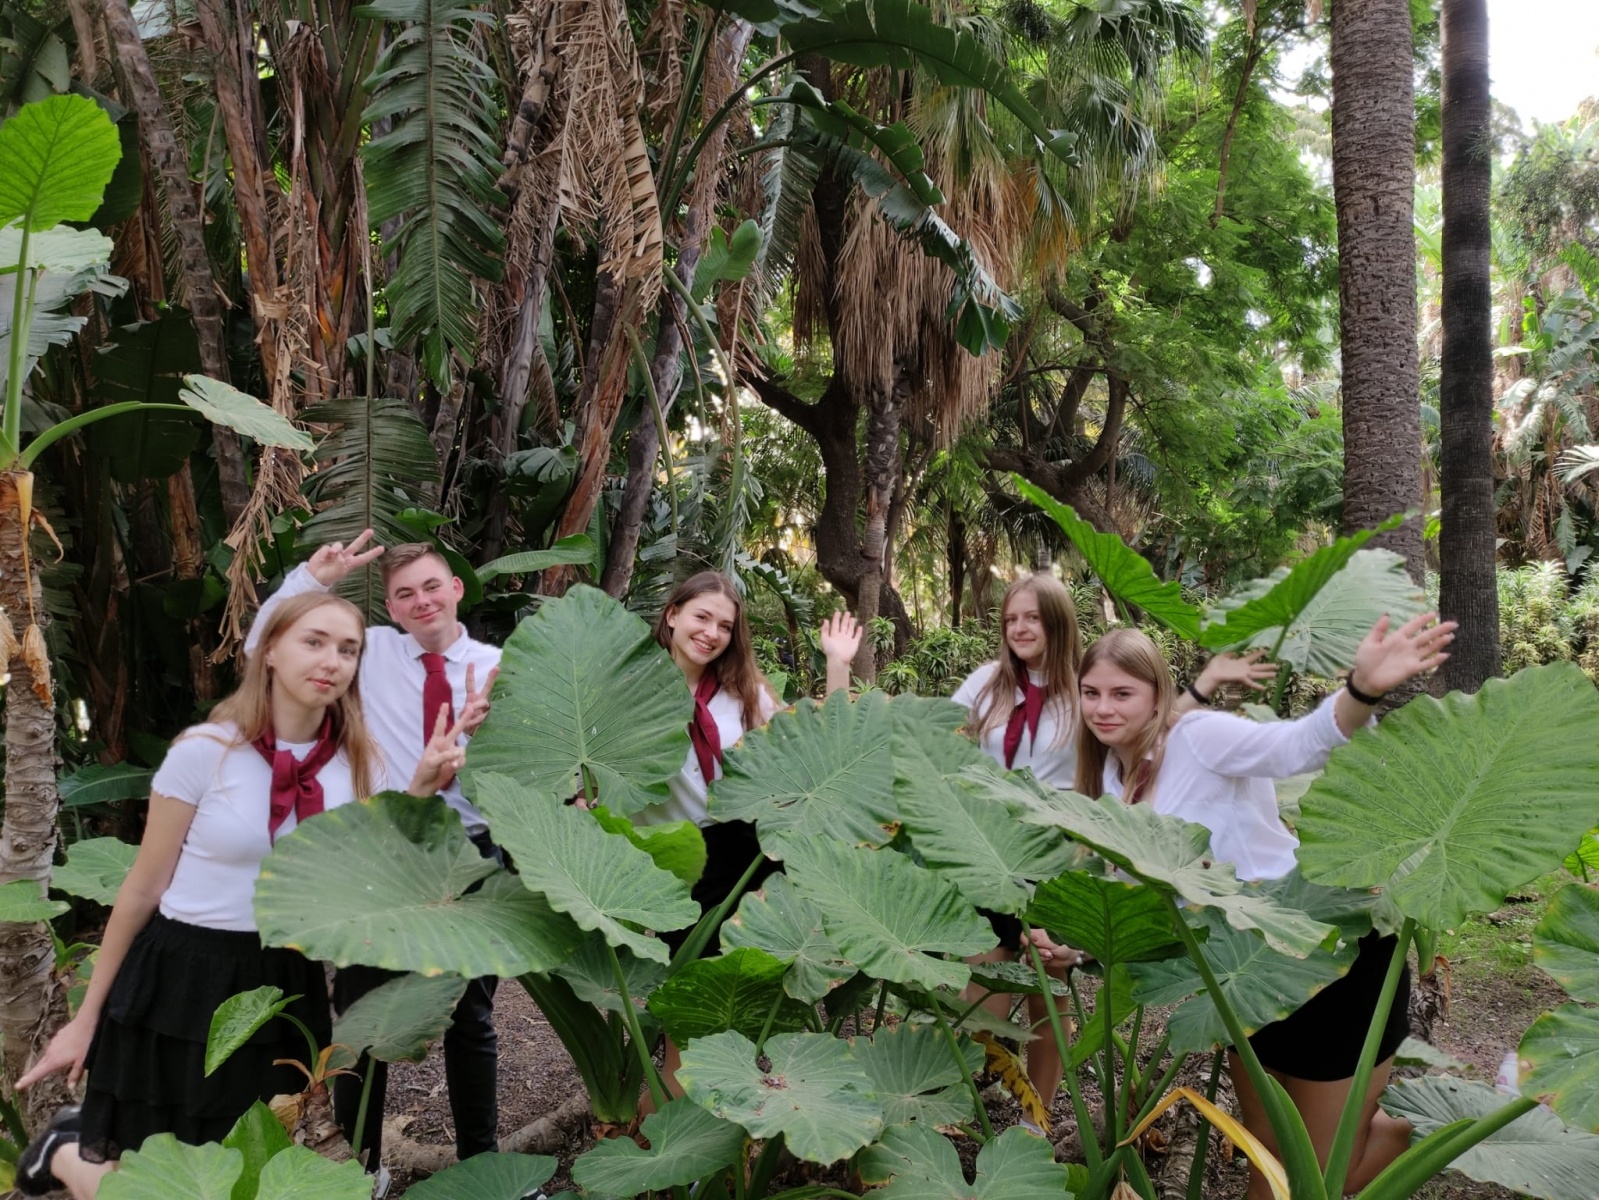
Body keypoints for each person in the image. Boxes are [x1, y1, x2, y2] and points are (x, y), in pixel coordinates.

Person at [13, 593, 466, 1200]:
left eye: (348, 649)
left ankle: (65, 1149)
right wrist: (85, 1020)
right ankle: (64, 1153)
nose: (331, 659)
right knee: (149, 1182)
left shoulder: (361, 765)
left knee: (244, 1171)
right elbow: (143, 887)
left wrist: (422, 789)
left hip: (281, 982)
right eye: (314, 641)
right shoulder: (206, 751)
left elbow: (371, 876)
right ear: (270, 650)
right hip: (178, 976)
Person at [1074, 613, 1455, 1198]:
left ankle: (1401, 1130)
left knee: (1319, 1180)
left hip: (1326, 953)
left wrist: (1362, 689)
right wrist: (1074, 950)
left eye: (1123, 693)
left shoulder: (1198, 738)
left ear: (1157, 697)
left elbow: (1298, 746)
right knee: (1269, 1167)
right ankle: (1381, 1124)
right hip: (1242, 970)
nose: (1104, 708)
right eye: (1091, 693)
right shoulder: (1108, 775)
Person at [950, 573, 1272, 1111]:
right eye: (1011, 618)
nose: (1020, 628)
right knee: (980, 988)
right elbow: (935, 731)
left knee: (1049, 994)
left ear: (1058, 623)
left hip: (1056, 855)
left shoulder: (1085, 690)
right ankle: (959, 1104)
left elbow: (1155, 725)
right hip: (988, 853)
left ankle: (1041, 1115)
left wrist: (1205, 686)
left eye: (1033, 617)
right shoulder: (987, 683)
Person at [244, 533, 501, 1177]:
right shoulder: (370, 652)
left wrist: (476, 740)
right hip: (379, 851)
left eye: (432, 586)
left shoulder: (498, 664)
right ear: (389, 607)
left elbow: (528, 774)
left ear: (457, 589)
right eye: (405, 593)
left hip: (465, 853)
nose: (422, 601)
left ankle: (484, 1167)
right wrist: (313, 577)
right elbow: (264, 651)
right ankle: (362, 1167)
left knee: (470, 1015)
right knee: (366, 1016)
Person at [637, 572, 858, 1095]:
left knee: (755, 999)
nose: (711, 633)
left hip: (752, 854)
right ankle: (676, 1141)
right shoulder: (632, 691)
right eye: (702, 617)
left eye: (724, 626)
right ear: (672, 615)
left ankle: (747, 1127)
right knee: (690, 1012)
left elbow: (819, 744)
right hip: (682, 860)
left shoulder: (745, 693)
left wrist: (837, 664)